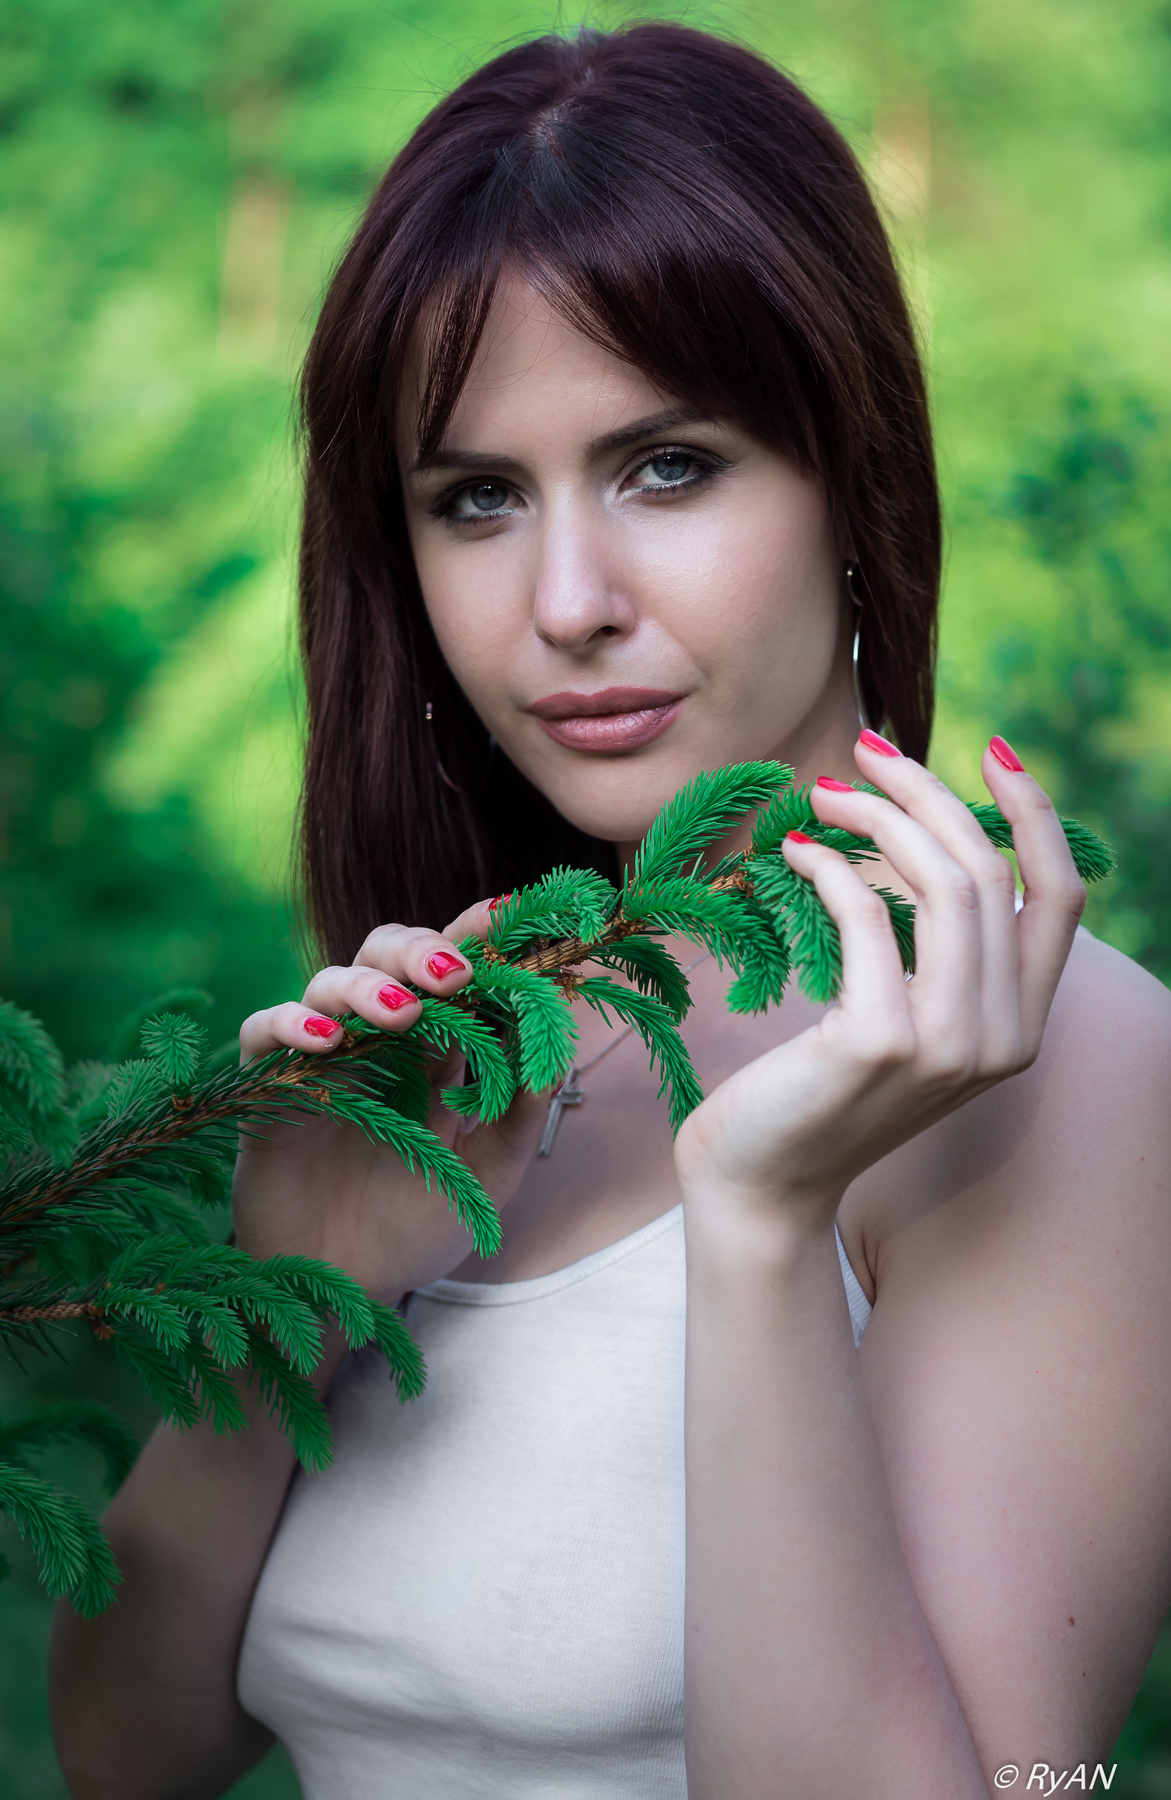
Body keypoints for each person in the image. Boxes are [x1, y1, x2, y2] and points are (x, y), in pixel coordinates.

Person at [50, 23, 1171, 1799]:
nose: (566, 601)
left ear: (854, 474)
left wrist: (762, 1226)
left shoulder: (1058, 1066)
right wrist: (289, 1305)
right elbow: (124, 1755)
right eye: (477, 498)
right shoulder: (455, 1029)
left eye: (668, 466)